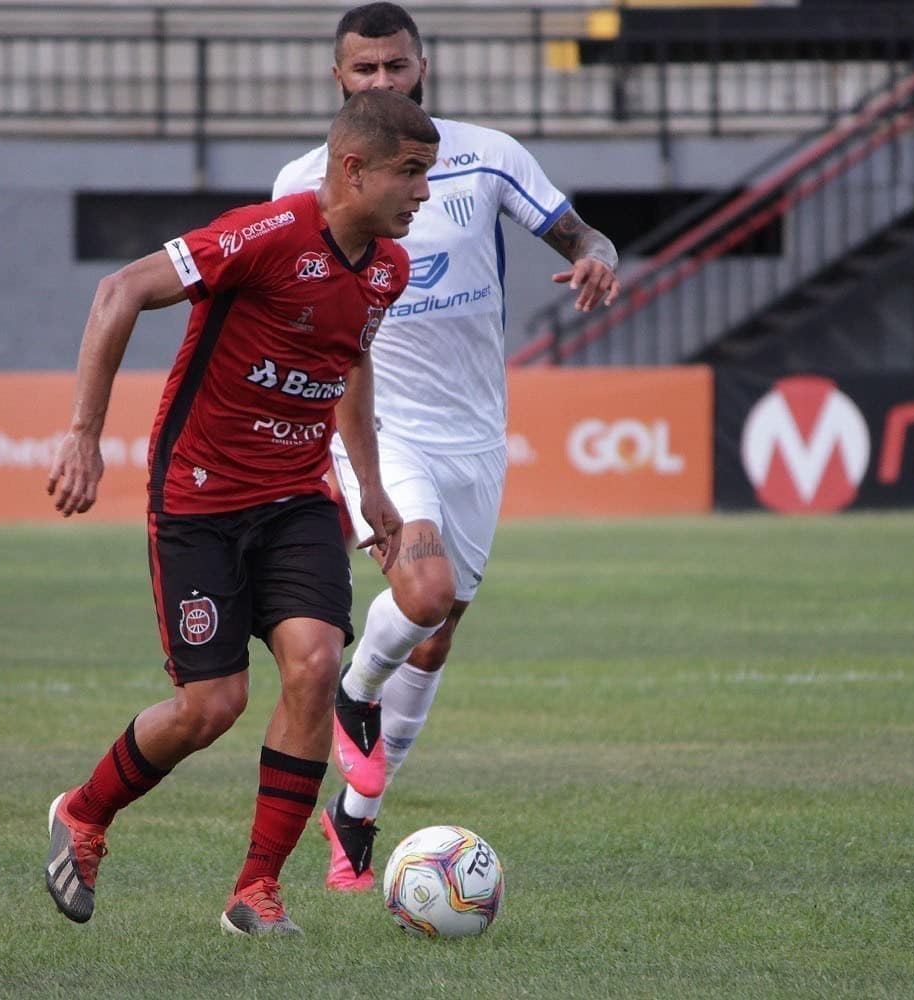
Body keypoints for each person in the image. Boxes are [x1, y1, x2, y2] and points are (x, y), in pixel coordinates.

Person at [42, 88, 439, 936]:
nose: (424, 193)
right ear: (353, 168)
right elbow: (119, 290)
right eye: (410, 173)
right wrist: (83, 435)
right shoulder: (264, 235)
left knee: (315, 666)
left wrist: (370, 486)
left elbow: (350, 362)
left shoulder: (388, 269)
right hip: (200, 498)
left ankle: (256, 889)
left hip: (297, 498)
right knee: (211, 706)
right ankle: (84, 811)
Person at [272, 2, 621, 892]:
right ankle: (354, 692)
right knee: (421, 593)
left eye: (396, 66)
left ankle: (356, 815)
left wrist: (599, 254)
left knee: (436, 631)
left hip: (475, 431)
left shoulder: (487, 155)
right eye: (364, 69)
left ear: (422, 68)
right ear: (338, 79)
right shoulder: (304, 181)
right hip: (377, 427)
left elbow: (578, 232)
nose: (382, 81)